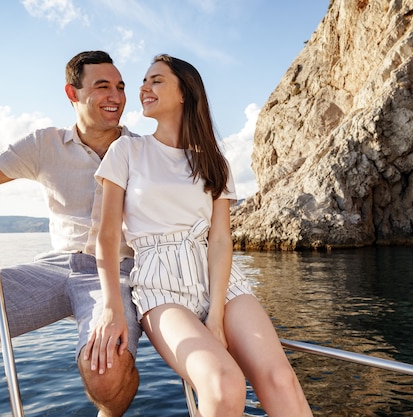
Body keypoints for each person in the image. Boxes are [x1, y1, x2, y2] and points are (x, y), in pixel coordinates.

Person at [0, 51, 142, 417]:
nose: (116, 96)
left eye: (120, 86)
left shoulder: (143, 150)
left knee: (106, 375)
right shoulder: (43, 144)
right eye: (102, 86)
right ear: (72, 93)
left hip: (117, 272)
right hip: (53, 268)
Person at [87, 54, 313, 417]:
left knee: (281, 379)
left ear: (184, 94)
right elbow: (108, 235)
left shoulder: (214, 160)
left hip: (220, 279)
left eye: (156, 80)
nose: (144, 88)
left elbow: (221, 239)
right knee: (224, 384)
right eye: (143, 81)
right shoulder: (127, 150)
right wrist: (113, 306)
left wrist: (216, 317)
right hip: (160, 283)